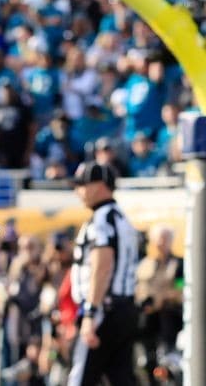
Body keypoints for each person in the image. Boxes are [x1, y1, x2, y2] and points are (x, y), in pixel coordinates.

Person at [67, 162, 140, 386]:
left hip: (103, 310)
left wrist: (90, 312)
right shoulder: (121, 218)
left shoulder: (101, 219)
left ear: (99, 186)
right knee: (120, 377)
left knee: (80, 378)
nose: (78, 191)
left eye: (82, 185)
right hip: (124, 308)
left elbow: (102, 265)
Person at [134, 225, 183, 383]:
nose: (161, 243)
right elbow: (139, 289)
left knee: (169, 362)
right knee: (147, 361)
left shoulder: (178, 264)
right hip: (148, 322)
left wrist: (162, 298)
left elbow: (181, 288)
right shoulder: (145, 265)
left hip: (170, 320)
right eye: (158, 239)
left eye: (165, 239)